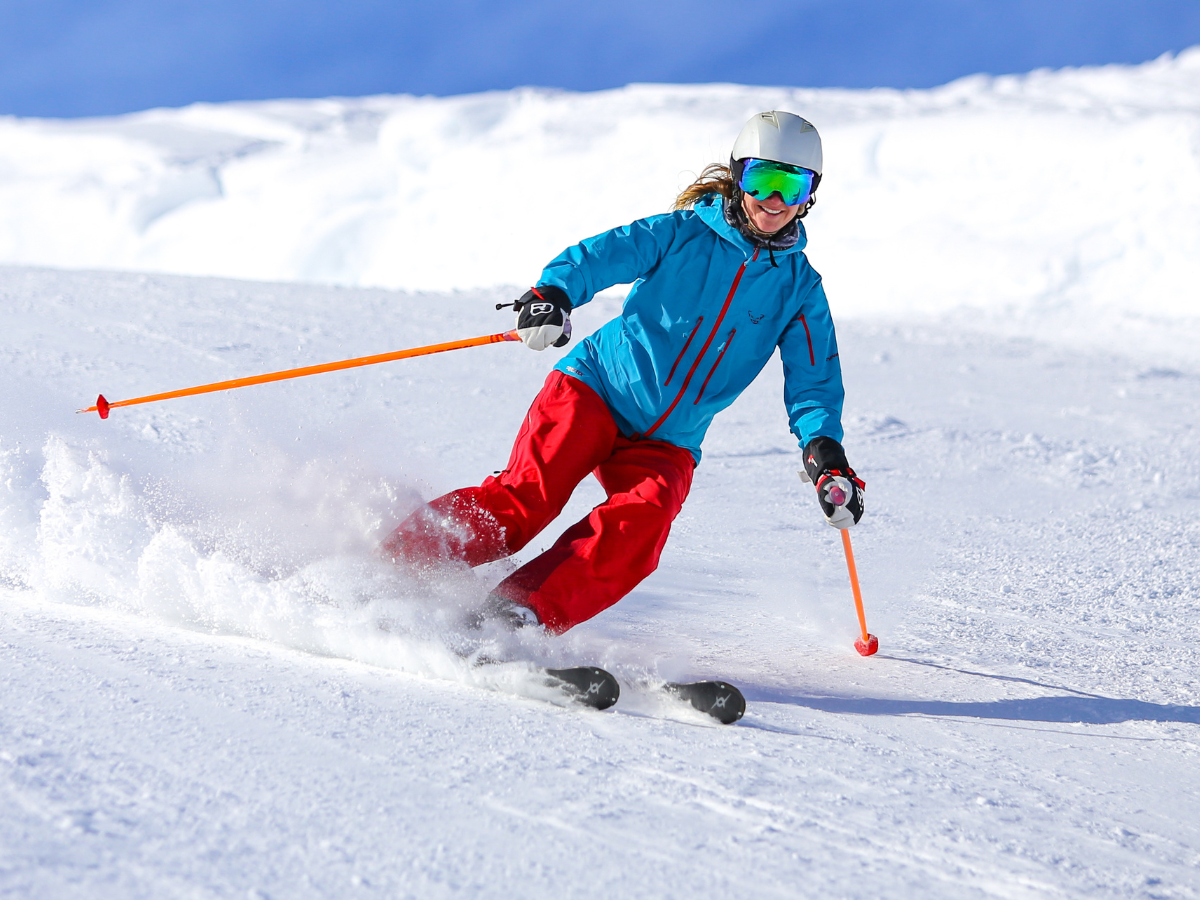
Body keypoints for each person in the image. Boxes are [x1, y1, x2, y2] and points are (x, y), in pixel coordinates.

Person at [382, 110, 865, 634]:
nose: (774, 201)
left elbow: (813, 380)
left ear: (810, 195)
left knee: (640, 527)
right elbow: (600, 257)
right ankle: (390, 563)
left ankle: (513, 619)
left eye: (791, 186)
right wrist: (554, 295)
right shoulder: (681, 234)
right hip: (596, 389)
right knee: (525, 503)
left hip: (670, 439)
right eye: (762, 180)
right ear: (736, 176)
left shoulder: (799, 288)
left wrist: (825, 453)